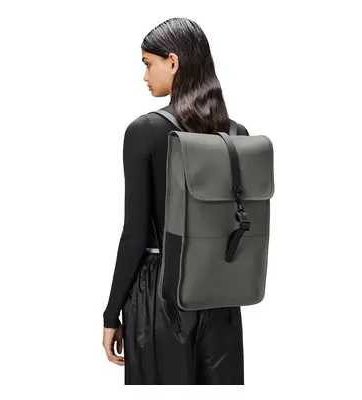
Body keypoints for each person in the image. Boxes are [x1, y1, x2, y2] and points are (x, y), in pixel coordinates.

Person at [102, 17, 249, 385]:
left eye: (147, 63)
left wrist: (111, 313)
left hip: (159, 295)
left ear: (173, 61)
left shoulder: (145, 131)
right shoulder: (236, 134)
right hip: (220, 293)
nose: (145, 75)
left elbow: (135, 233)